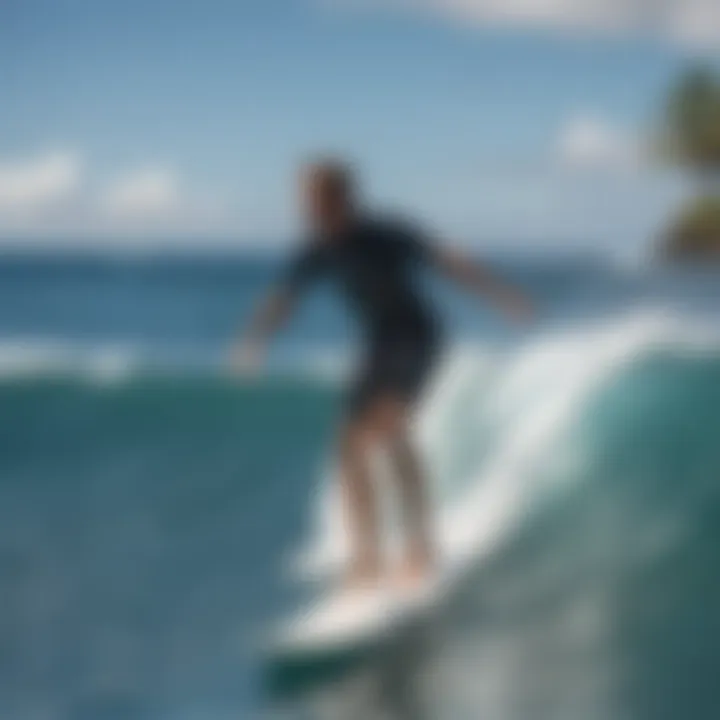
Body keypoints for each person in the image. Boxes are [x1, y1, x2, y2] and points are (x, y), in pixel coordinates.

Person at [235, 159, 533, 591]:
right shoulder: (318, 248)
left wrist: (503, 296)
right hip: (378, 345)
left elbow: (451, 262)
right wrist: (254, 341)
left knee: (390, 429)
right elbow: (284, 297)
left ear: (341, 199)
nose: (305, 210)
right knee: (347, 448)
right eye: (303, 202)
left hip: (418, 337)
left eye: (313, 202)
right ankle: (366, 557)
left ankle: (422, 546)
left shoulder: (385, 234)